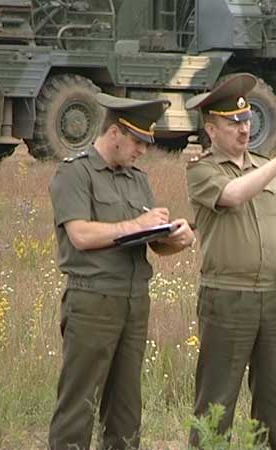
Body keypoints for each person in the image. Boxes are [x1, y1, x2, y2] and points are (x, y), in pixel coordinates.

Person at [185, 73, 276, 450]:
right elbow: (232, 195)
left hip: (271, 298)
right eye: (233, 123)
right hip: (228, 297)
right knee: (217, 401)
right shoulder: (203, 170)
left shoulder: (266, 169)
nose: (243, 129)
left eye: (246, 121)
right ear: (211, 129)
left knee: (272, 402)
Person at [48, 93, 195, 450]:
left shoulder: (136, 179)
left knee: (126, 407)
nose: (142, 150)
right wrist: (136, 224)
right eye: (137, 141)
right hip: (92, 299)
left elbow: (148, 239)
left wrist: (177, 238)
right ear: (114, 132)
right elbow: (81, 235)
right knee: (78, 404)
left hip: (133, 301)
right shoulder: (75, 173)